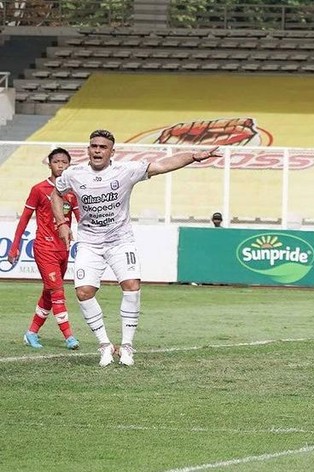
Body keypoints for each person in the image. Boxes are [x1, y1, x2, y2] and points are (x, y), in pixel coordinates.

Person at [51, 129, 220, 366]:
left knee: (132, 286)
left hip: (120, 240)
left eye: (102, 147)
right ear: (88, 149)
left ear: (112, 151)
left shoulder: (125, 171)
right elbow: (56, 194)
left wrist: (193, 156)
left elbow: (162, 165)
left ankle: (127, 346)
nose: (97, 150)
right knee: (83, 292)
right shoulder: (74, 174)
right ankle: (105, 345)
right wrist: (61, 223)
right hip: (89, 241)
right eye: (93, 146)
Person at [8, 148, 80, 350]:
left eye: (64, 162)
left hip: (63, 248)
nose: (60, 165)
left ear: (69, 165)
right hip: (44, 247)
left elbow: (81, 218)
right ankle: (69, 337)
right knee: (57, 290)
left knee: (49, 293)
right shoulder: (39, 189)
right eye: (56, 161)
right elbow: (24, 219)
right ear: (49, 165)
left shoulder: (72, 191)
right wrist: (15, 247)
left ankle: (31, 333)